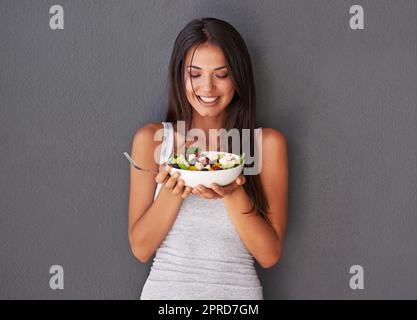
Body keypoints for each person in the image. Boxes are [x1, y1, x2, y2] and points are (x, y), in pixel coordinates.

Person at [128, 17, 288, 300]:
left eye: (221, 74)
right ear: (180, 76)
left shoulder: (266, 144)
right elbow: (141, 248)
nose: (208, 87)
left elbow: (269, 254)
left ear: (238, 78)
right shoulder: (152, 140)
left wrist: (233, 193)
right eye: (195, 74)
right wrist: (172, 192)